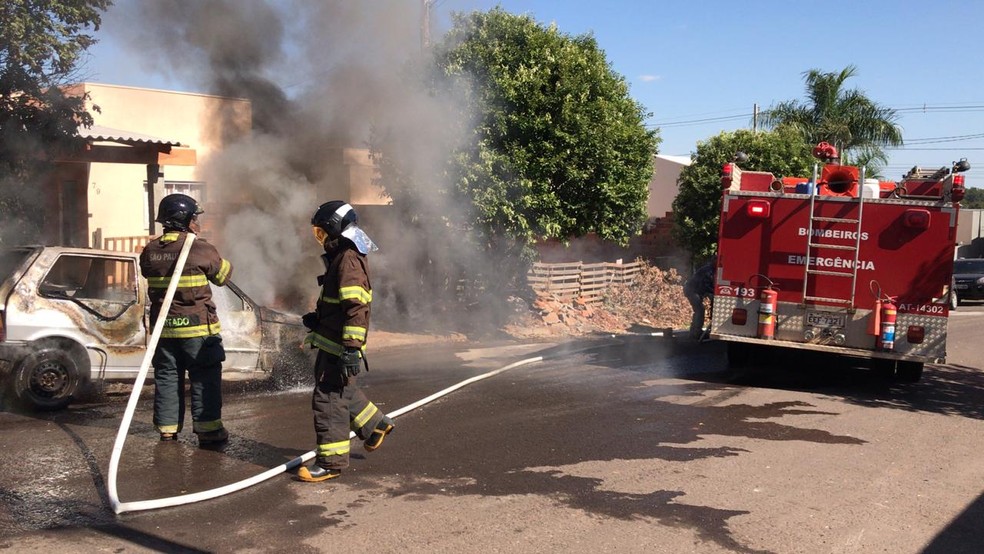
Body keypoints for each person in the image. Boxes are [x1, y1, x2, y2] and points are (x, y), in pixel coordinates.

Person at [297, 200, 394, 482]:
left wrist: (351, 348)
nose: (320, 238)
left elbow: (356, 306)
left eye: (322, 231)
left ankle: (330, 463)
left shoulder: (348, 259)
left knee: (328, 399)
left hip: (340, 345)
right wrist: (319, 319)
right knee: (342, 391)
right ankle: (376, 426)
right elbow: (338, 303)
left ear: (334, 228)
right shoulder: (343, 255)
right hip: (332, 339)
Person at [139, 193, 233, 445]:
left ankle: (167, 429)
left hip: (164, 330)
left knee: (167, 376)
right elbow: (222, 277)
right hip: (197, 330)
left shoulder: (150, 250)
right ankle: (209, 430)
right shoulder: (200, 248)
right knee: (204, 377)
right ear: (184, 220)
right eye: (194, 218)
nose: (197, 223)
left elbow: (148, 271)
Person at [683, 255, 717, 341]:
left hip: (695, 290)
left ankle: (693, 331)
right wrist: (715, 292)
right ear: (714, 261)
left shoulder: (711, 270)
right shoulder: (708, 270)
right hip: (692, 290)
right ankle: (696, 333)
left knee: (698, 310)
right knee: (700, 310)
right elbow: (706, 285)